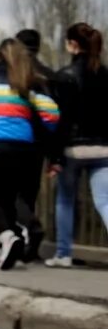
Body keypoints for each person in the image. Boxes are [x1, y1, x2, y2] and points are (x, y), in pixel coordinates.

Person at [0, 36, 60, 271]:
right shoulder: (30, 82)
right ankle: (18, 237)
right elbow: (52, 114)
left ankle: (7, 236)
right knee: (12, 198)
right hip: (22, 147)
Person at [46, 23, 107, 267]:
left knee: (65, 199)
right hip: (104, 148)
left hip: (72, 149)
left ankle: (63, 254)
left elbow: (60, 121)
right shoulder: (105, 74)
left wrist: (54, 157)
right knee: (104, 200)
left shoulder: (64, 76)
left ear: (72, 45)